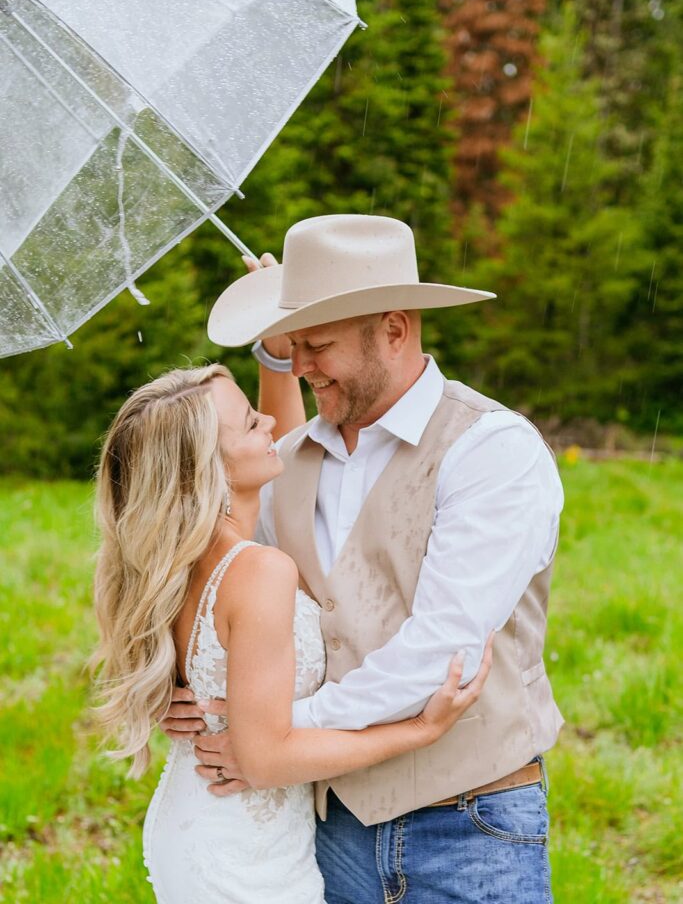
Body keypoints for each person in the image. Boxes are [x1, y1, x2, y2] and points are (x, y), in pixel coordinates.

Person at [163, 213, 565, 904]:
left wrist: (276, 737)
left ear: (395, 328)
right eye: (289, 349)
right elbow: (224, 606)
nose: (301, 366)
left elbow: (443, 650)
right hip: (325, 825)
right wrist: (186, 696)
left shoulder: (491, 450)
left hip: (467, 824)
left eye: (316, 345)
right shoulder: (281, 463)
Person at [92, 350, 491, 904]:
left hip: (210, 820)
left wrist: (276, 359)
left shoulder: (185, 564)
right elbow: (265, 758)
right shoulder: (259, 571)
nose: (272, 424)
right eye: (251, 423)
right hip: (241, 850)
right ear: (209, 466)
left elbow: (293, 455)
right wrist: (421, 730)